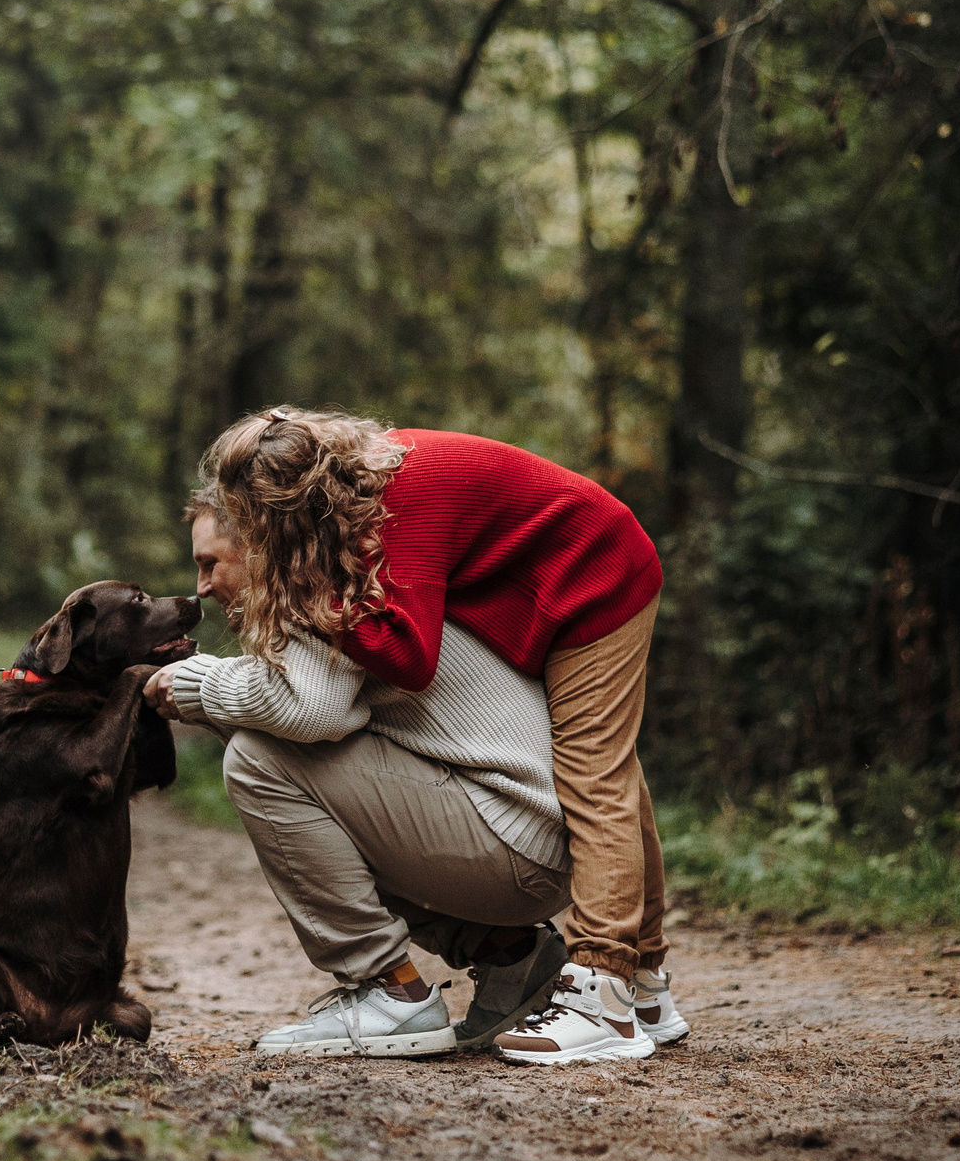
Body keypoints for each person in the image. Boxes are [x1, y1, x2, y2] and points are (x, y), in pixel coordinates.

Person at [191, 408, 685, 1065]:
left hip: (597, 575)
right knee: (615, 771)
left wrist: (311, 599)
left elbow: (409, 653)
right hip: (546, 583)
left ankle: (606, 996)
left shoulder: (397, 504)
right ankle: (647, 987)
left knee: (598, 775)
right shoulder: (366, 494)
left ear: (290, 512)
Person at [148, 491, 576, 1056]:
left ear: (260, 544)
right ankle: (508, 953)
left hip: (511, 838)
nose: (202, 586)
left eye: (211, 562)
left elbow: (312, 712)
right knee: (284, 767)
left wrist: (196, 683)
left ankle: (389, 992)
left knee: (259, 759)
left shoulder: (317, 587)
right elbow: (313, 710)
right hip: (526, 839)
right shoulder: (351, 571)